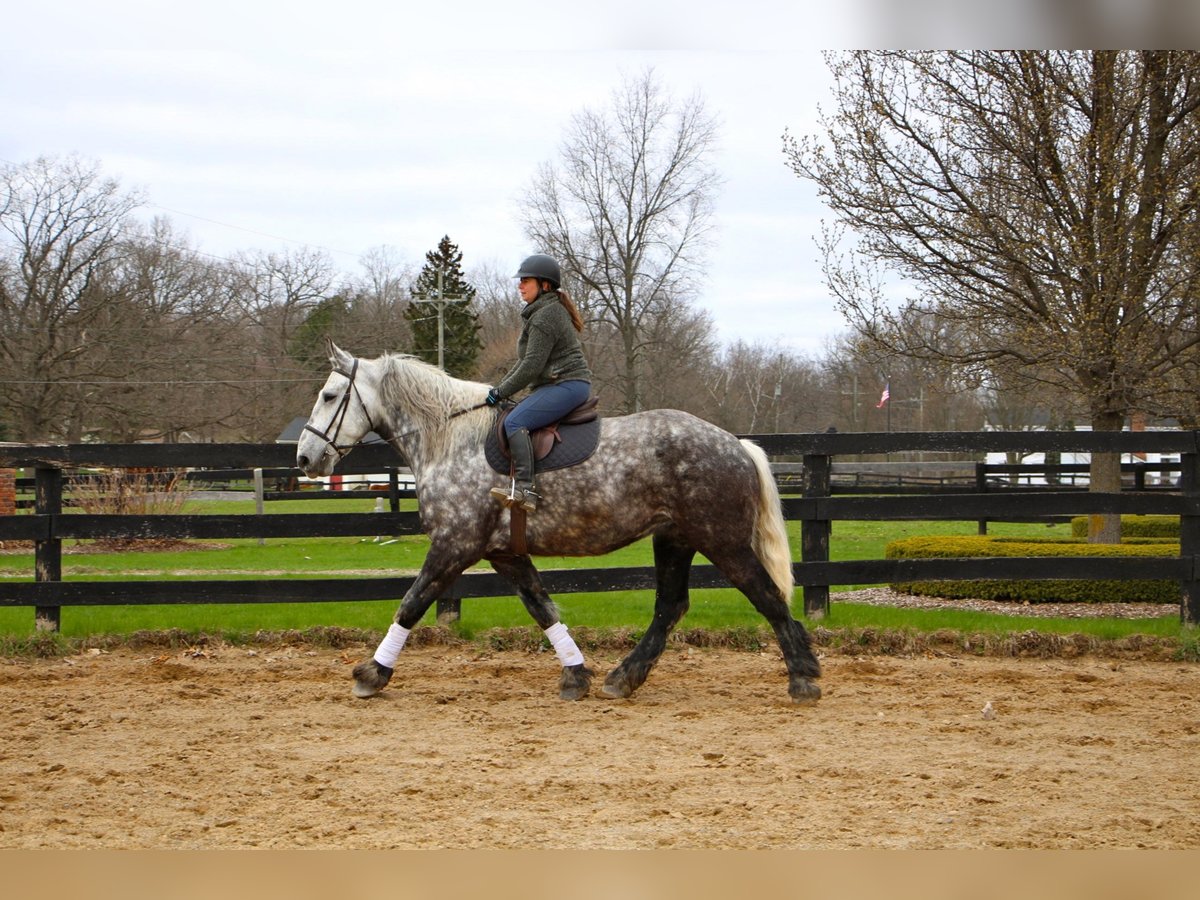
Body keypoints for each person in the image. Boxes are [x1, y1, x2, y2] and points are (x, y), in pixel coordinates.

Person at [485, 253, 591, 512]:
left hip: (568, 384)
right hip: (555, 385)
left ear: (544, 285)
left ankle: (525, 489)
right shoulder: (540, 312)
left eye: (526, 281)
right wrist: (498, 390)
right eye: (520, 281)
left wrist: (501, 392)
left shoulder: (546, 316)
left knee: (515, 421)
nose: (520, 285)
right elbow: (523, 364)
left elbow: (531, 367)